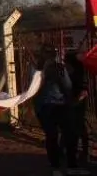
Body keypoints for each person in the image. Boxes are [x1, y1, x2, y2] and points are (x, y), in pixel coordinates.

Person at [34, 43, 84, 176]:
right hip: (57, 105)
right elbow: (67, 87)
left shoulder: (37, 69)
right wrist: (72, 100)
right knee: (67, 135)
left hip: (46, 106)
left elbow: (33, 90)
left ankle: (57, 166)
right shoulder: (58, 68)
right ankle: (69, 166)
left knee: (53, 136)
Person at [65, 51, 89, 166]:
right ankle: (72, 152)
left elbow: (84, 91)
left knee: (79, 128)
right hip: (73, 103)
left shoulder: (78, 72)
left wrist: (75, 102)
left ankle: (84, 153)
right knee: (72, 128)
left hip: (78, 104)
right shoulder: (71, 71)